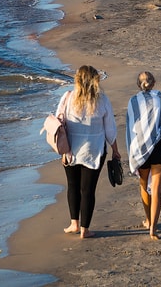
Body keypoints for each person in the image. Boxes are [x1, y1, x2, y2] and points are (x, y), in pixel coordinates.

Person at [56, 65, 120, 239]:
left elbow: (59, 125)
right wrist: (115, 150)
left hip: (70, 150)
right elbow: (110, 129)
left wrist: (61, 151)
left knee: (73, 186)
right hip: (95, 150)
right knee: (88, 190)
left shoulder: (68, 97)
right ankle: (85, 229)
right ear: (95, 80)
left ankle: (73, 223)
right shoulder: (102, 100)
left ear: (77, 80)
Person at [126, 71, 161, 240]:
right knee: (157, 190)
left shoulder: (133, 101)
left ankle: (147, 219)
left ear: (138, 84)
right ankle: (153, 228)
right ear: (154, 82)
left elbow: (131, 129)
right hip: (160, 147)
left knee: (144, 185)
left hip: (140, 149)